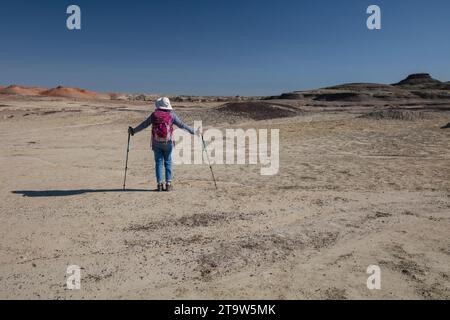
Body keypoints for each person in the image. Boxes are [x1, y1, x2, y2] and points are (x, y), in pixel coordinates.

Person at [128, 97, 200, 192]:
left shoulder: (154, 115)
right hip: (168, 142)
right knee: (168, 162)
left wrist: (133, 131)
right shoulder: (171, 115)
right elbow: (182, 125)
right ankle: (168, 184)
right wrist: (195, 132)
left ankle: (159, 185)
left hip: (156, 142)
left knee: (158, 163)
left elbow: (144, 124)